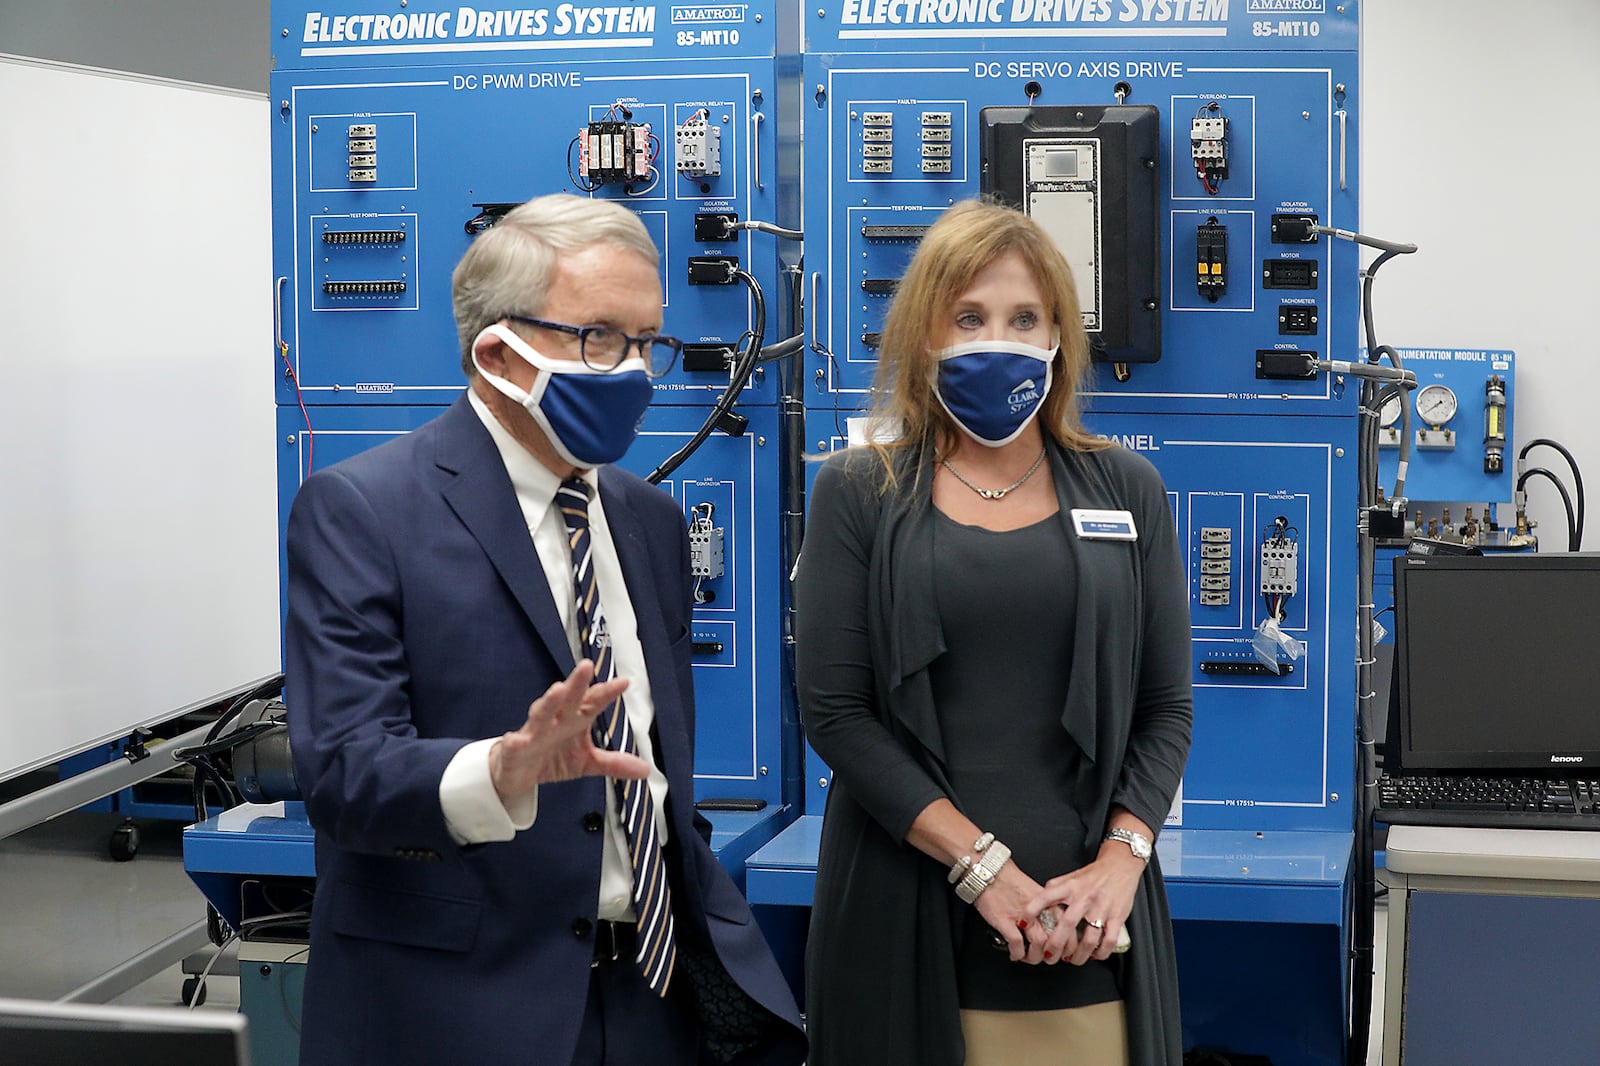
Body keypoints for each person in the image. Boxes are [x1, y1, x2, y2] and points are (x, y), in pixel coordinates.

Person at [285, 193, 806, 1066]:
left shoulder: (649, 521)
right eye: (601, 337)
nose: (637, 371)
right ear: (499, 350)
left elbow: (660, 766)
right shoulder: (363, 510)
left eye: (650, 343)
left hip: (654, 998)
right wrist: (499, 768)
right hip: (465, 1008)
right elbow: (341, 773)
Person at [796, 198, 1193, 1066]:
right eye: (968, 318)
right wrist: (983, 870)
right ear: (924, 334)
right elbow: (835, 714)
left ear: (1059, 337)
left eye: (1023, 319)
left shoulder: (1127, 489)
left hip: (1091, 931)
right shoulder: (858, 491)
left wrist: (1120, 864)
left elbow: (1166, 708)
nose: (995, 341)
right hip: (906, 915)